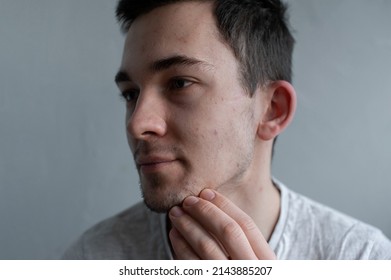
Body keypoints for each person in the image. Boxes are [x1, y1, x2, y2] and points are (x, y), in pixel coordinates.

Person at [63, 0, 391, 259]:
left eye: (179, 83)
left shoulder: (361, 258)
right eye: (130, 94)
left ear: (272, 109)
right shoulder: (93, 258)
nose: (137, 123)